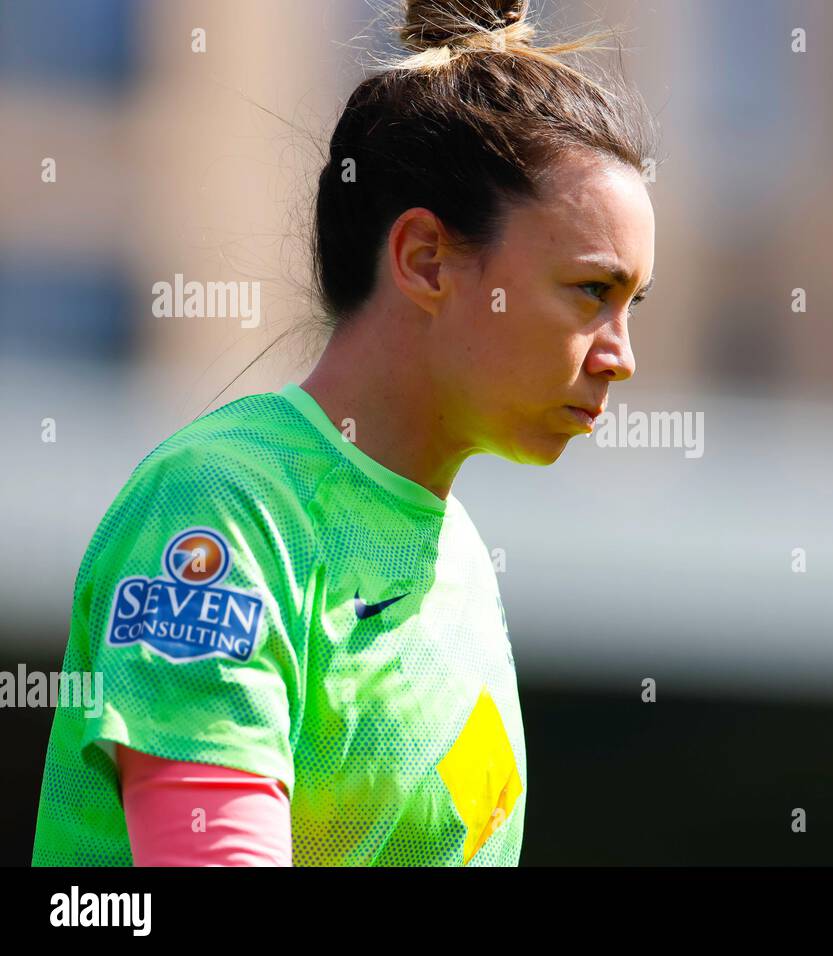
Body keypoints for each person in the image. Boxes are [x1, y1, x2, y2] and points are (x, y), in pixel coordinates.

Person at [32, 0, 656, 866]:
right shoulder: (222, 508)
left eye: (634, 305)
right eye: (592, 292)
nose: (621, 357)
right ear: (425, 259)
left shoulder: (463, 556)